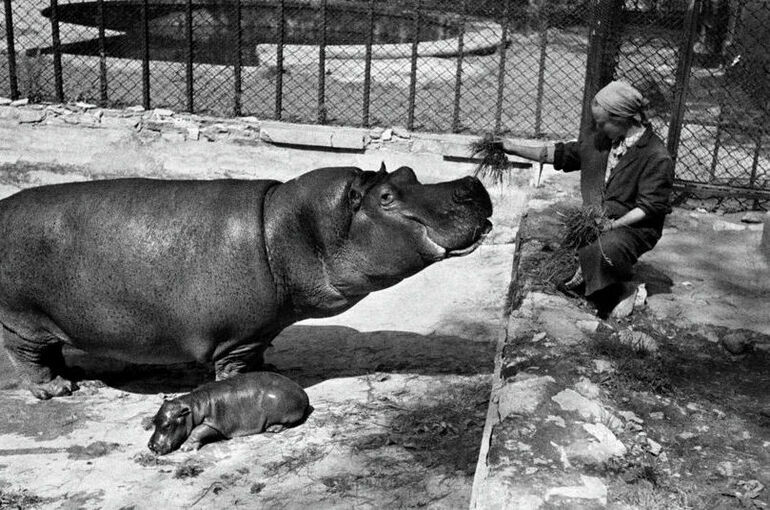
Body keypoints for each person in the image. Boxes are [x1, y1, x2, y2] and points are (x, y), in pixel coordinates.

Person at [502, 80, 674, 316]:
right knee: (564, 264)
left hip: (633, 227)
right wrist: (513, 148)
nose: (597, 127)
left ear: (622, 118)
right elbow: (561, 154)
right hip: (596, 223)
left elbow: (649, 207)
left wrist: (611, 225)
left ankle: (623, 291)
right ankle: (598, 281)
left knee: (603, 250)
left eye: (601, 122)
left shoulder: (656, 155)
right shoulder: (602, 140)